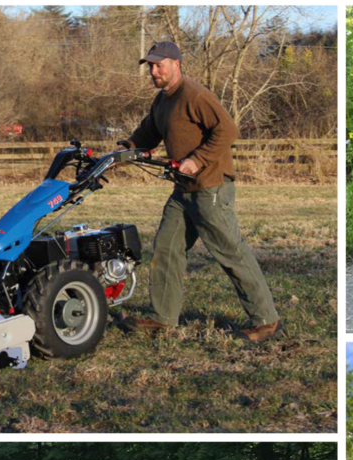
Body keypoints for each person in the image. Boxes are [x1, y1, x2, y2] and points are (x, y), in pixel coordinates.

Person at [117, 42, 281, 342]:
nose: (153, 71)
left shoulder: (195, 94)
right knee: (166, 249)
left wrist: (197, 159)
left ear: (176, 64)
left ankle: (266, 320)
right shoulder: (162, 100)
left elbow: (228, 130)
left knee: (230, 251)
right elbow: (148, 132)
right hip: (183, 190)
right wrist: (125, 148)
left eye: (159, 65)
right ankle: (163, 318)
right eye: (150, 66)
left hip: (210, 188)